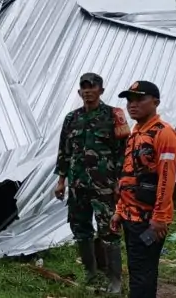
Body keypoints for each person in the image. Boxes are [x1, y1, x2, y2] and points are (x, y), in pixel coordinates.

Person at [53, 72, 130, 294]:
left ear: (101, 90)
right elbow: (64, 152)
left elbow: (122, 153)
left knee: (109, 230)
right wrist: (61, 181)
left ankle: (114, 280)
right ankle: (90, 273)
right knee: (80, 228)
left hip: (104, 185)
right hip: (78, 185)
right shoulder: (71, 119)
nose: (88, 90)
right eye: (84, 87)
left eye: (92, 86)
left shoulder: (113, 115)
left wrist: (119, 181)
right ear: (79, 91)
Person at [111, 81, 176, 298]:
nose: (133, 105)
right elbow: (128, 175)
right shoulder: (135, 133)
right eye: (129, 100)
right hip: (131, 216)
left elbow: (166, 178)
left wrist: (159, 217)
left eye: (140, 99)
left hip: (149, 219)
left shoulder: (164, 133)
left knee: (143, 273)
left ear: (155, 102)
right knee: (137, 269)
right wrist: (120, 210)